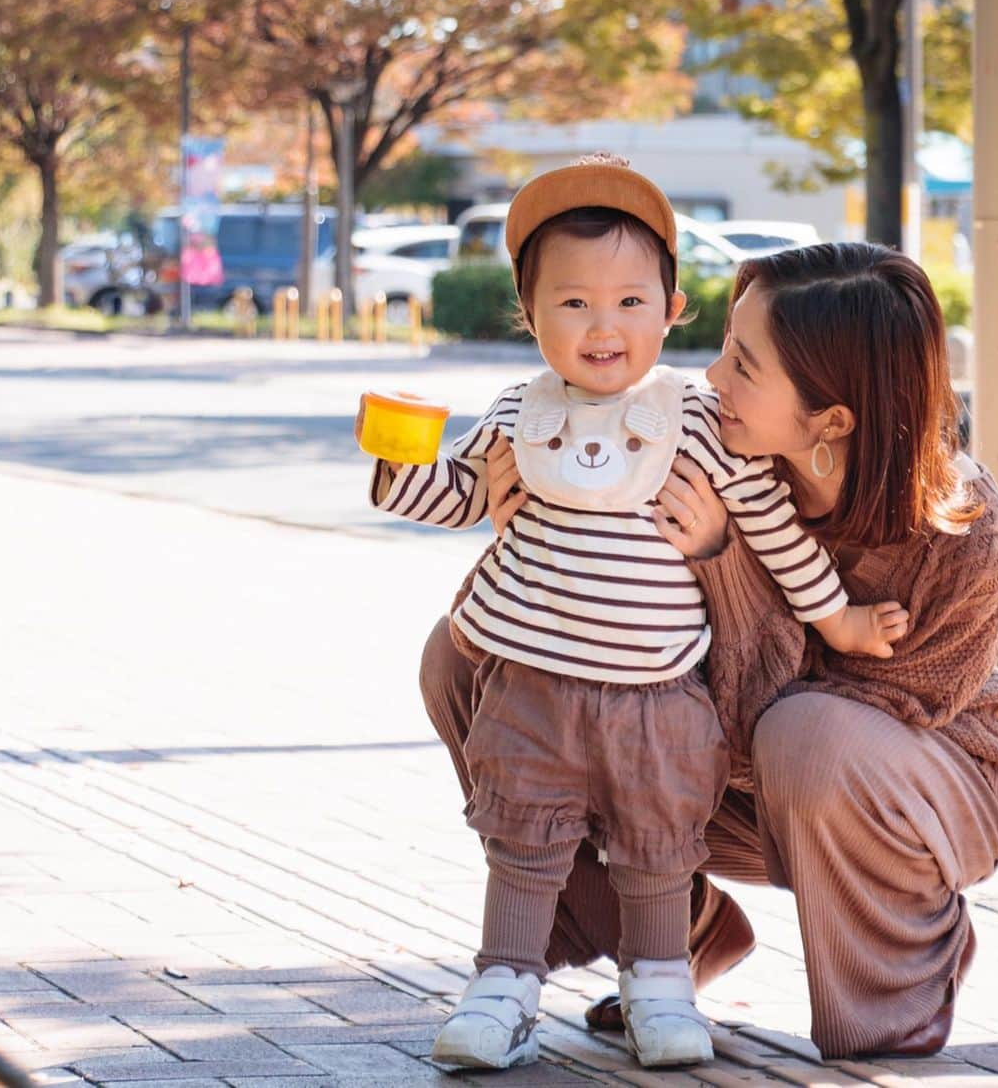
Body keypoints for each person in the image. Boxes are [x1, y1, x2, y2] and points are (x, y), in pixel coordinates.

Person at [420, 238, 998, 1062]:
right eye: (722, 350)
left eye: (744, 365)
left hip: (919, 788)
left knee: (808, 734)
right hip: (723, 768)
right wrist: (524, 518)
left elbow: (857, 709)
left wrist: (728, 564)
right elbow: (518, 626)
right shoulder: (710, 452)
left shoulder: (961, 531)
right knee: (469, 663)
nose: (711, 379)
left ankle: (898, 979)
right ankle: (669, 932)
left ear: (832, 418)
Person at [360, 159, 907, 1072]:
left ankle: (662, 991)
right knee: (522, 839)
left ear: (671, 310)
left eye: (627, 302)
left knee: (657, 846)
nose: (601, 325)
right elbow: (460, 497)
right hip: (528, 684)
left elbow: (773, 535)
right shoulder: (515, 411)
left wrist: (842, 621)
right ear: (529, 317)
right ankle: (502, 988)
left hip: (658, 692)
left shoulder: (696, 422)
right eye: (570, 305)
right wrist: (401, 467)